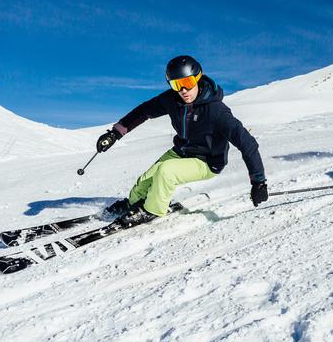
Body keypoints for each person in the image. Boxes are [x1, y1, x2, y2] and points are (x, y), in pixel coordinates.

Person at [96, 55, 268, 226]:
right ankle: (133, 203)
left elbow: (247, 143)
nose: (183, 90)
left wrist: (258, 182)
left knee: (166, 172)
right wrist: (115, 133)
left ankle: (152, 210)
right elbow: (144, 111)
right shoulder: (172, 99)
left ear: (198, 78)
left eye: (187, 83)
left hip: (207, 161)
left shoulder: (216, 111)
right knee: (144, 181)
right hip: (181, 152)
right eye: (177, 85)